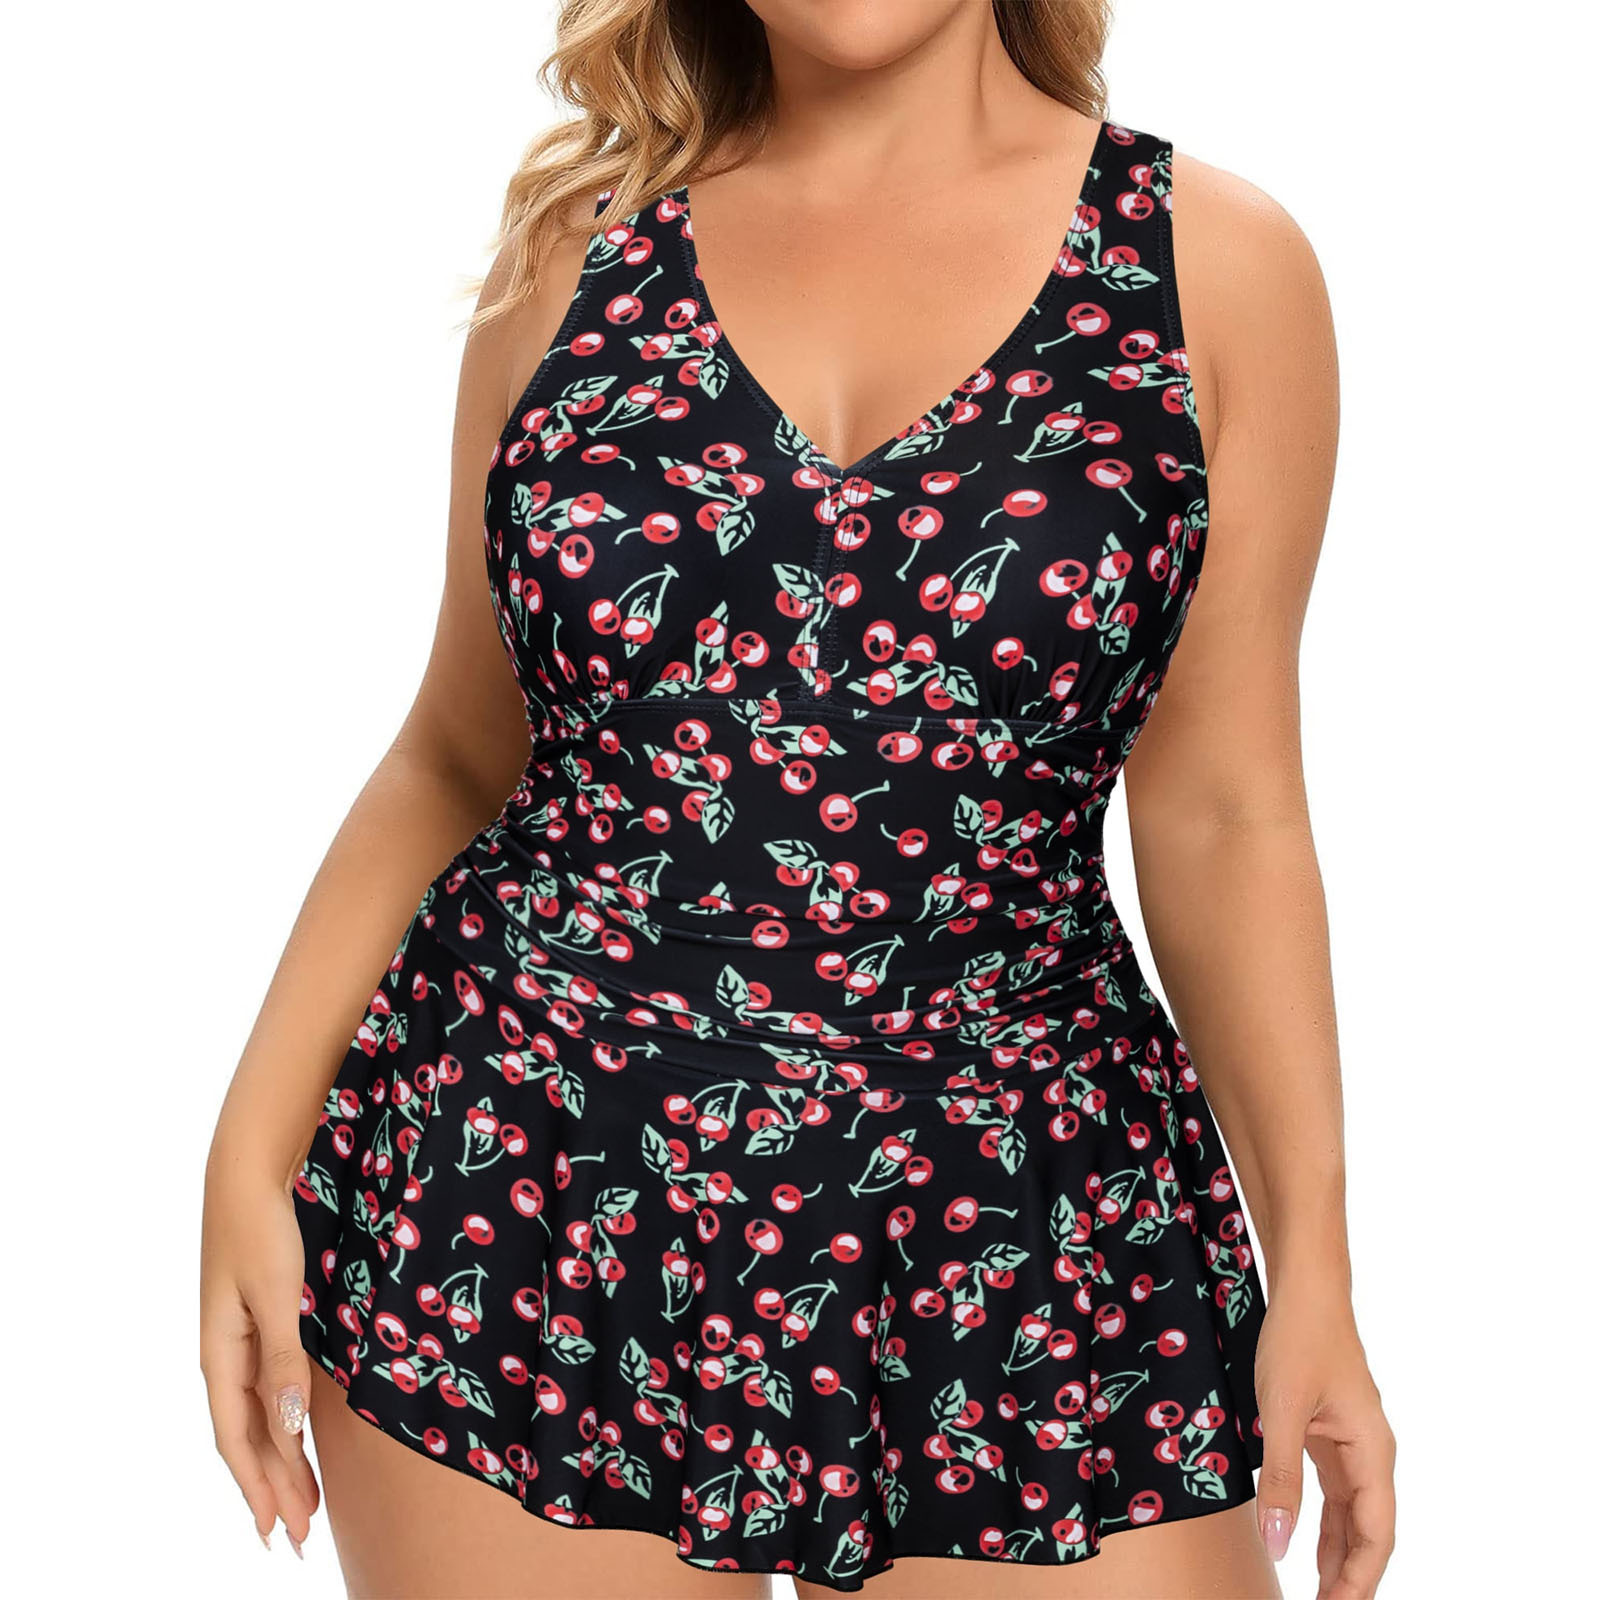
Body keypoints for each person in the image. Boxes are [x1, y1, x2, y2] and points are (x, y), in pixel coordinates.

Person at [201, 3, 1396, 1596]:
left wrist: (1315, 1262)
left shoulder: (1215, 269)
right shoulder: (576, 258)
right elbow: (457, 759)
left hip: (1025, 1212)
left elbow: (1226, 814)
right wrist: (246, 1146)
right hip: (530, 1176)